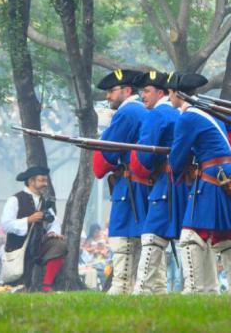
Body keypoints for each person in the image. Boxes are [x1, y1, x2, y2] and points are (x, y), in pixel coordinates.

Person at [168, 73, 231, 294]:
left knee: (189, 235)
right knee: (224, 235)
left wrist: (175, 171)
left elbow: (177, 157)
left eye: (170, 93)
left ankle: (195, 289)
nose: (169, 98)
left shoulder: (187, 117)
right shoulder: (208, 111)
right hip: (228, 172)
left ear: (178, 94)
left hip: (213, 175)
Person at [92, 69, 148, 295]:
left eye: (112, 91)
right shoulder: (141, 109)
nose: (108, 97)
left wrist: (102, 136)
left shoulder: (128, 113)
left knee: (123, 234)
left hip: (130, 183)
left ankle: (121, 285)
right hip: (140, 181)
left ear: (126, 90)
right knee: (136, 237)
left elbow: (105, 158)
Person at [129, 71, 184, 295]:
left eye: (148, 90)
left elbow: (145, 155)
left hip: (166, 181)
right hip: (180, 180)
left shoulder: (157, 115)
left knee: (151, 235)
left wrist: (143, 169)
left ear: (161, 92)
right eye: (142, 91)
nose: (143, 95)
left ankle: (141, 289)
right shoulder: (175, 113)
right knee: (184, 238)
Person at [1, 166, 67, 291]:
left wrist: (53, 232)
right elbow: (6, 225)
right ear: (31, 181)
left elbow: (54, 222)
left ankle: (47, 286)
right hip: (19, 248)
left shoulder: (44, 201)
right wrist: (28, 220)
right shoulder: (15, 199)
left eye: (46, 181)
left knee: (59, 244)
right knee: (18, 288)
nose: (45, 184)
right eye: (42, 180)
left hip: (38, 245)